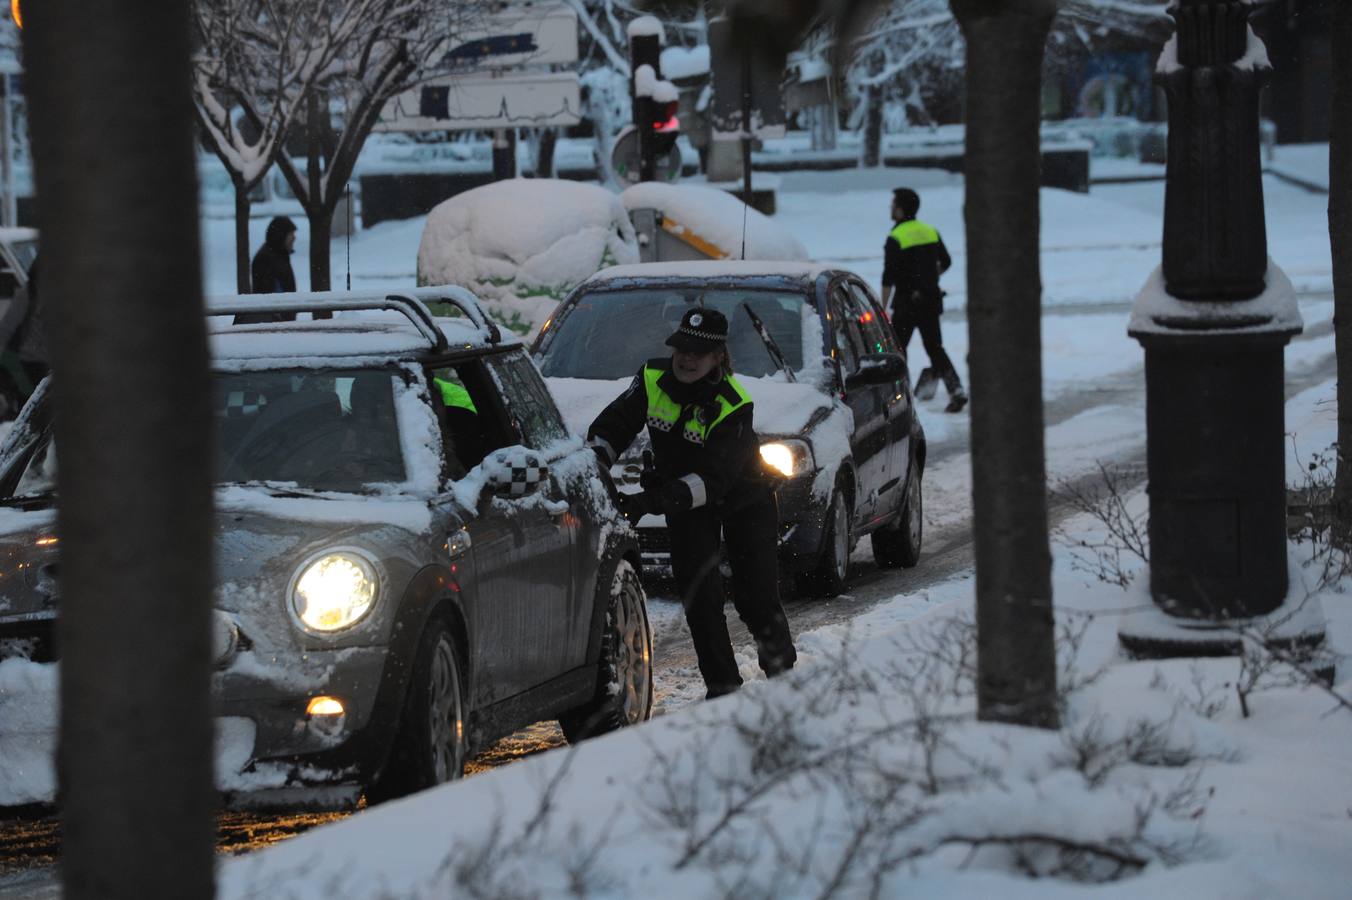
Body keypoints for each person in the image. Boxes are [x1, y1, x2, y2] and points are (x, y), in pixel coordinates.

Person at [587, 308, 797, 699]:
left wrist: (648, 502)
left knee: (755, 597)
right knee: (700, 598)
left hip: (742, 498)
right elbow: (614, 424)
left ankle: (783, 675)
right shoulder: (652, 378)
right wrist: (596, 461)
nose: (686, 358)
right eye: (681, 348)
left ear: (718, 357)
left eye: (698, 352)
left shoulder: (734, 404)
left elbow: (711, 482)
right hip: (685, 503)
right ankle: (723, 689)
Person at [881, 187, 967, 414]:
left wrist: (882, 307)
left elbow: (888, 276)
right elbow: (946, 261)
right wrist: (928, 277)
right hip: (930, 300)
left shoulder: (896, 237)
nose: (890, 208)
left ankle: (903, 395)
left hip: (906, 303)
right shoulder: (930, 231)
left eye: (893, 204)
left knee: (898, 349)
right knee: (935, 347)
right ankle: (956, 389)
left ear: (900, 209)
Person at [236, 216, 299, 325]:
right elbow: (268, 292)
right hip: (274, 321)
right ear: (281, 235)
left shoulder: (279, 255)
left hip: (280, 320)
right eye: (291, 234)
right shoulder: (266, 258)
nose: (294, 238)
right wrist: (281, 316)